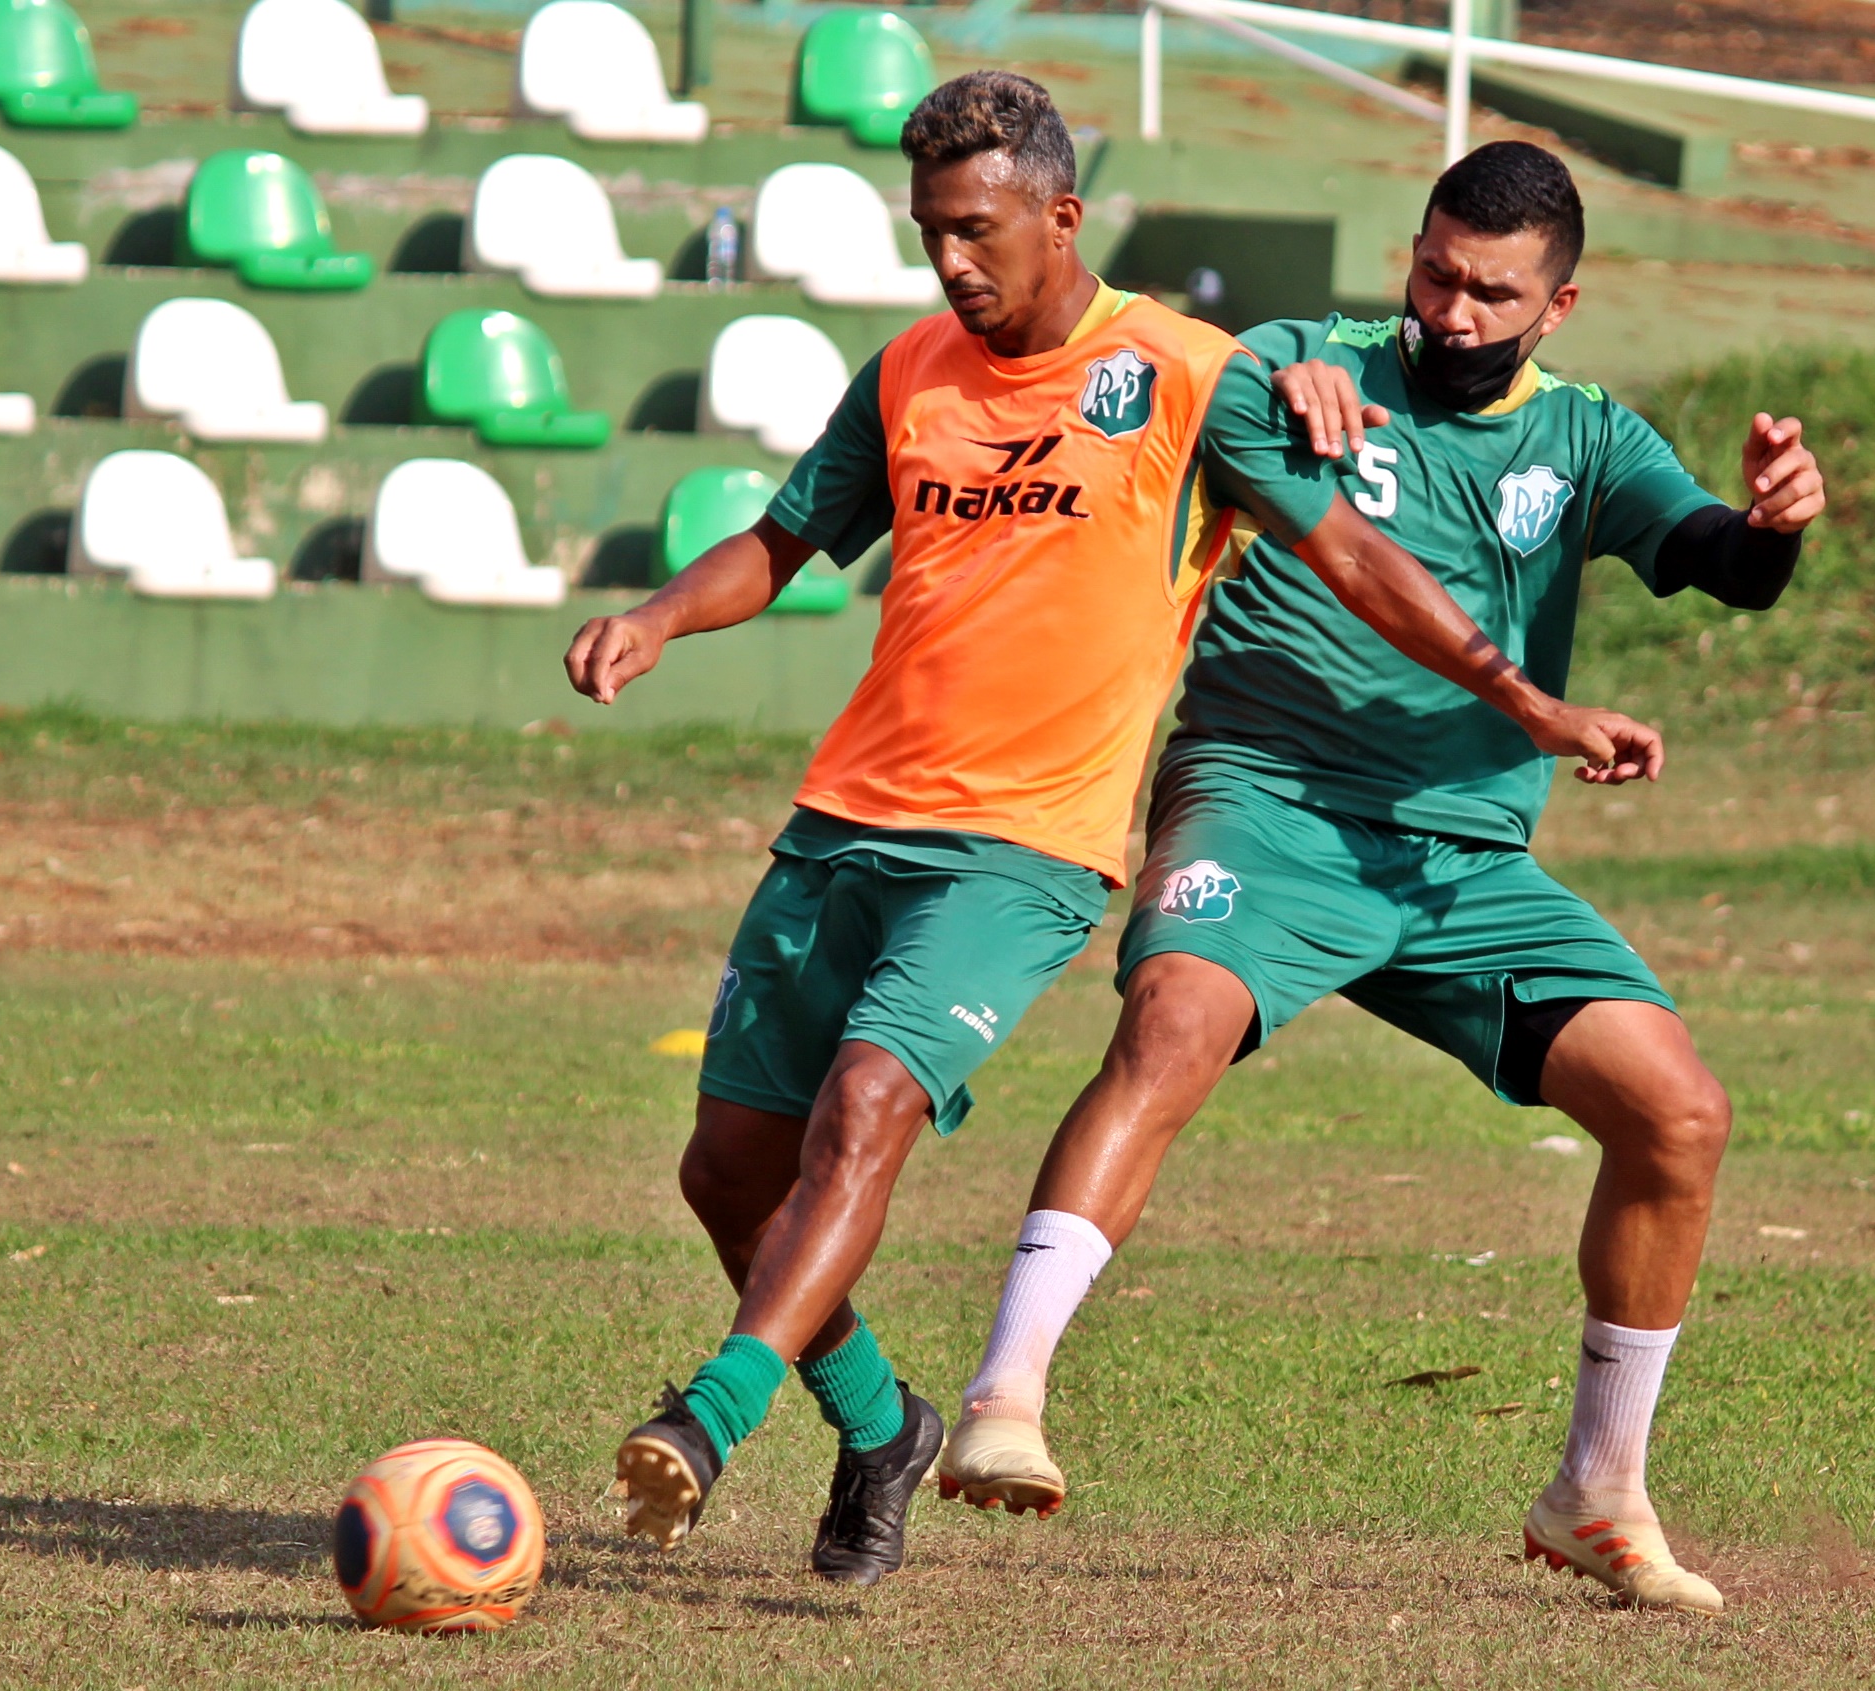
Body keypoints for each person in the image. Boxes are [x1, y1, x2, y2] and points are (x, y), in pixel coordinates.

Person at [562, 85, 1664, 1588]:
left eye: (976, 229)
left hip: (1023, 844)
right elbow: (781, 541)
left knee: (870, 1104)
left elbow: (1358, 560)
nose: (951, 260)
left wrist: (1526, 703)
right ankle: (882, 1426)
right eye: (931, 231)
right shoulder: (909, 371)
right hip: (847, 818)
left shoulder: (1188, 376)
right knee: (728, 1176)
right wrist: (656, 616)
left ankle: (714, 1413)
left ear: (1060, 217)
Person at [936, 140, 1827, 1616]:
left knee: (1677, 1113)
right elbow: (1219, 437)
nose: (1451, 313)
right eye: (1433, 274)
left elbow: (1716, 562)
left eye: (1492, 294)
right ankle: (1005, 1398)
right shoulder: (1301, 365)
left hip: (1459, 855)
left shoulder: (1588, 439)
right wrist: (1276, 380)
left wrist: (1776, 524)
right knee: (1171, 1026)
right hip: (1265, 804)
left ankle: (1598, 1491)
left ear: (1559, 306)